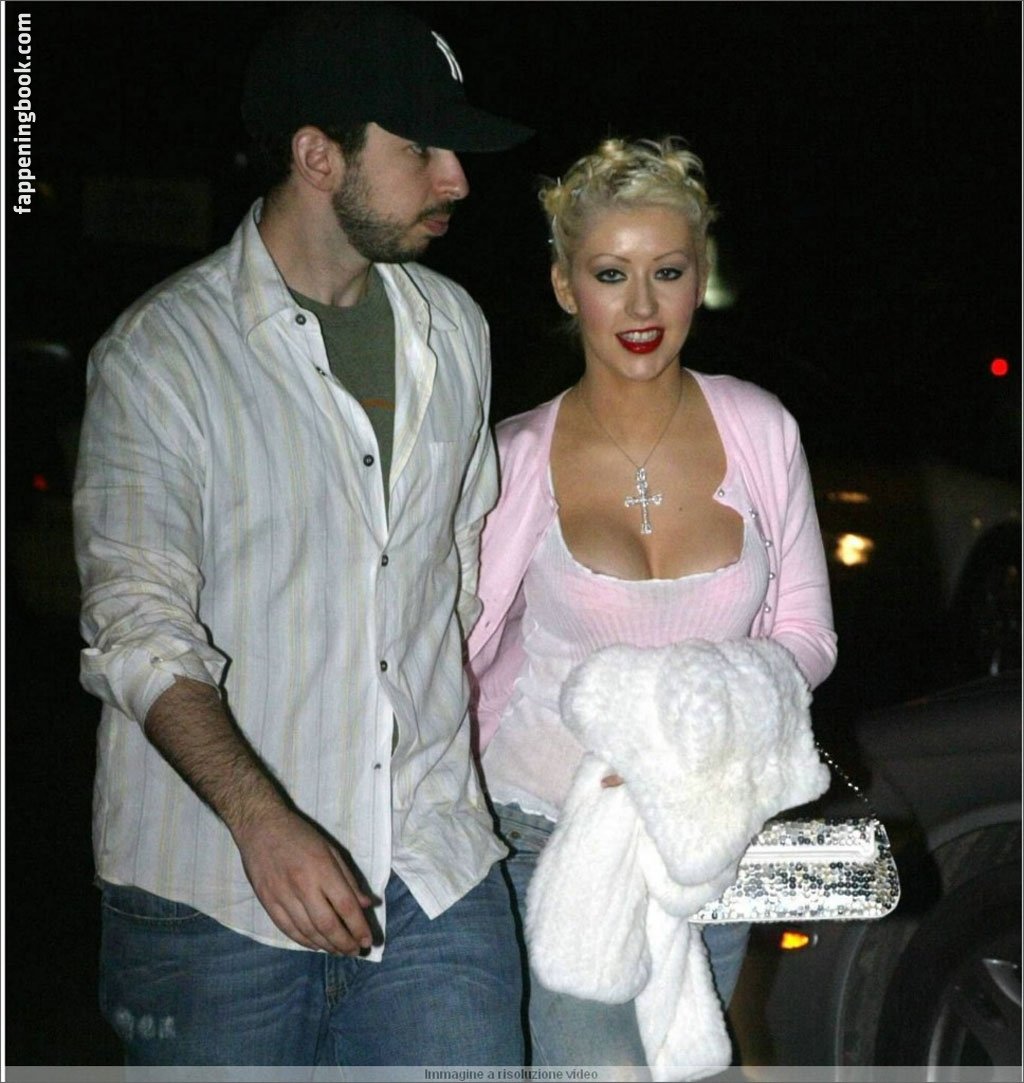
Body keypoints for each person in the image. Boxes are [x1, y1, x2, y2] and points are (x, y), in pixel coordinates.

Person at [73, 3, 532, 1069]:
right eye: (422, 150)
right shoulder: (161, 355)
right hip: (214, 889)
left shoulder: (454, 329)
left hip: (430, 862)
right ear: (318, 156)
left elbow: (456, 563)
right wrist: (261, 816)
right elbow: (136, 624)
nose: (456, 179)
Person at [467, 137, 837, 1070]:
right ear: (566, 286)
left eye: (667, 272)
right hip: (544, 828)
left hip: (706, 831)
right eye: (610, 274)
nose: (641, 307)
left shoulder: (760, 428)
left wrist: (682, 729)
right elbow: (454, 651)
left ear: (699, 278)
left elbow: (806, 635)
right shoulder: (514, 456)